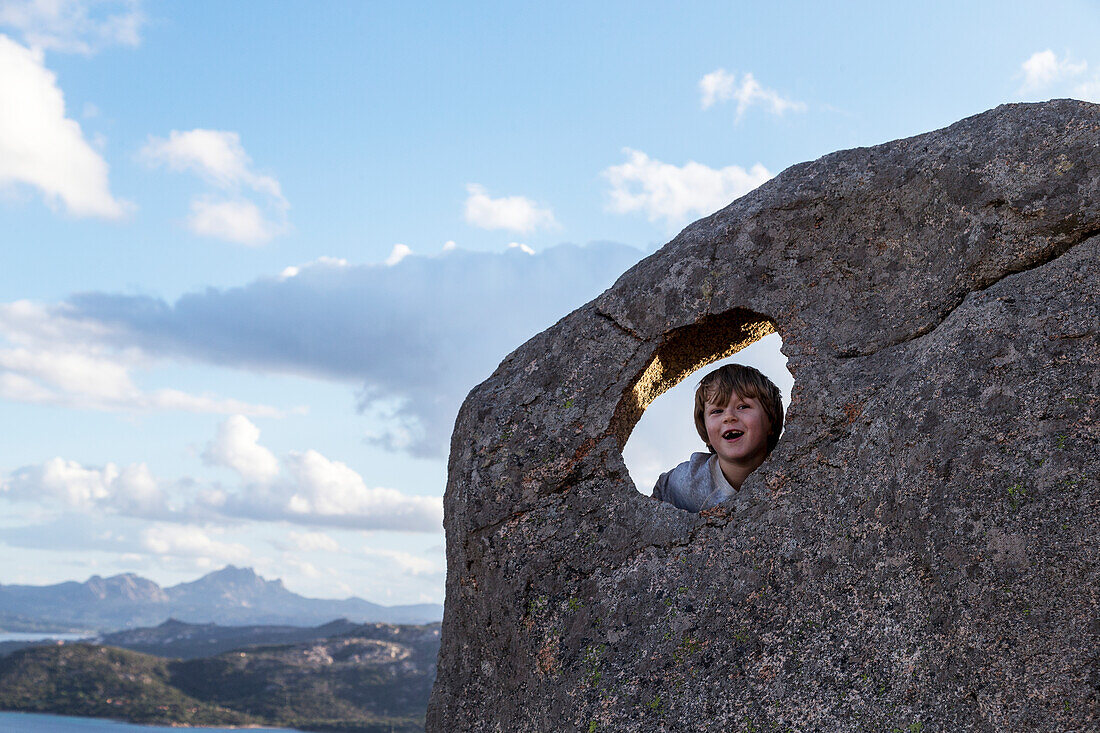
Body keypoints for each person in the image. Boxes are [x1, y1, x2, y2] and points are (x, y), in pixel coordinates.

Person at [652, 363, 784, 512]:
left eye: (743, 407)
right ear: (705, 430)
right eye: (717, 411)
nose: (729, 417)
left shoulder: (790, 469)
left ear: (771, 420)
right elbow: (659, 495)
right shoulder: (689, 482)